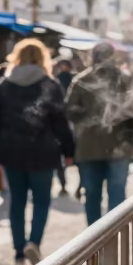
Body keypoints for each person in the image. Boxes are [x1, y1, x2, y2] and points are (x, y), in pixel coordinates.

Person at [0, 39, 75, 265]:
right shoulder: (49, 85)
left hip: (11, 152)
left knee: (17, 202)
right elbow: (61, 123)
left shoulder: (5, 84)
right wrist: (69, 151)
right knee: (42, 201)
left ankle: (19, 254)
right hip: (43, 152)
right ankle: (34, 243)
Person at [67, 43, 133, 224]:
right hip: (119, 147)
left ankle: (94, 240)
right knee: (116, 196)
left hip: (89, 147)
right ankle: (113, 235)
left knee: (92, 196)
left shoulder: (81, 80)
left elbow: (70, 111)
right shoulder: (124, 79)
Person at [54, 59, 76, 197]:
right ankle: (64, 184)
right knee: (66, 153)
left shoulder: (54, 81)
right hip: (66, 120)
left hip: (61, 120)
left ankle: (64, 184)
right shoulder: (74, 79)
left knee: (60, 155)